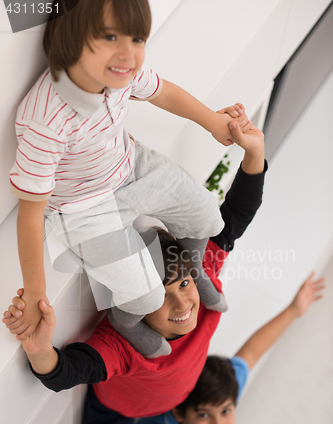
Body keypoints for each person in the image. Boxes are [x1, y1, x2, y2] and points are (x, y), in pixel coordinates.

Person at [4, 121, 266, 424]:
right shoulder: (121, 342)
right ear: (134, 306)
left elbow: (235, 218)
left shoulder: (198, 277)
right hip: (116, 414)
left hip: (169, 408)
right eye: (157, 298)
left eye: (183, 285)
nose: (181, 303)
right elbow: (66, 372)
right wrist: (38, 348)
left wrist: (254, 153)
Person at [8, 0, 251, 359]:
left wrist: (213, 122)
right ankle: (126, 321)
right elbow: (30, 215)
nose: (130, 54)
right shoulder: (46, 118)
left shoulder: (120, 72)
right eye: (111, 37)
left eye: (137, 39)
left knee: (206, 216)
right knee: (147, 296)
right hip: (83, 211)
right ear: (70, 38)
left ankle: (194, 268)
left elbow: (163, 91)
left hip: (130, 166)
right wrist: (34, 294)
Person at [96, 272, 325, 424]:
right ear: (179, 413)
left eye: (226, 411)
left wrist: (294, 310)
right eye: (204, 415)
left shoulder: (222, 389)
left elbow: (252, 352)